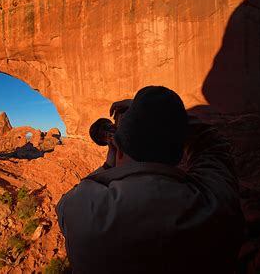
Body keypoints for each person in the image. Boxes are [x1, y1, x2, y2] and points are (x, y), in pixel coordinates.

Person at [56, 86, 244, 274]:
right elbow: (210, 143)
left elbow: (77, 192)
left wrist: (108, 164)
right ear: (178, 155)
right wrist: (157, 115)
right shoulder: (215, 203)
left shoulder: (79, 209)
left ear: (119, 149)